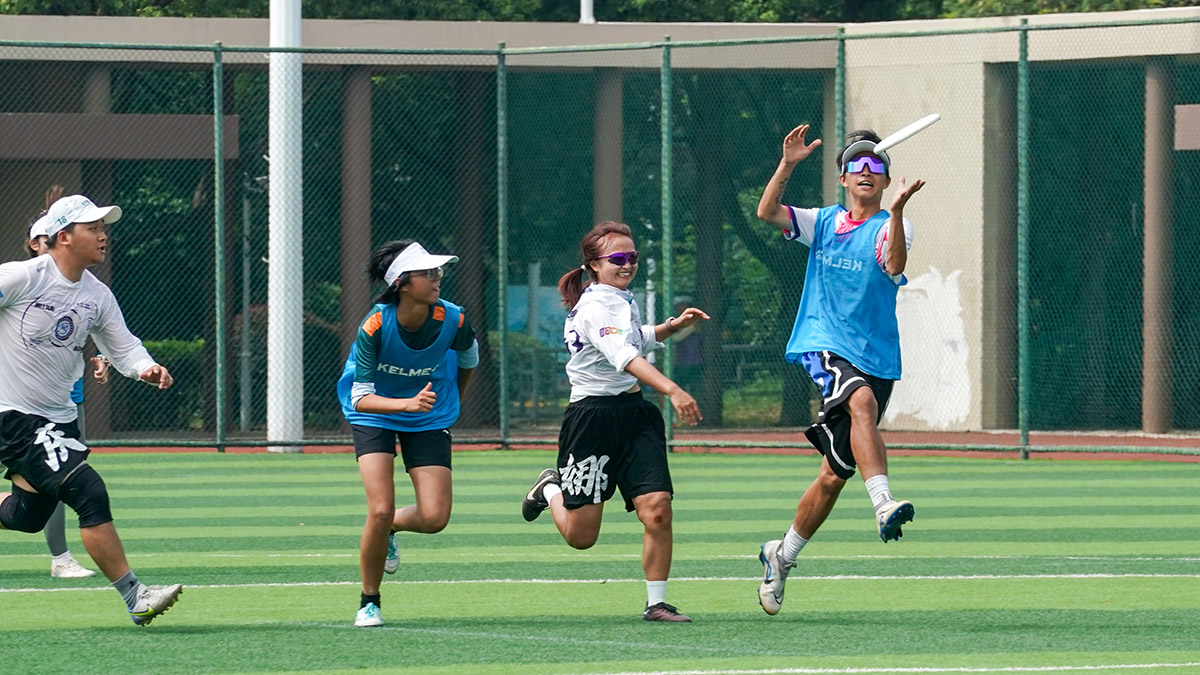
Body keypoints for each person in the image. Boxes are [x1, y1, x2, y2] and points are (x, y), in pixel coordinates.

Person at [752, 124, 926, 615]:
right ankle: (884, 503)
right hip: (823, 342)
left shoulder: (894, 225)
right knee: (861, 401)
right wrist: (787, 164)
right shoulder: (822, 222)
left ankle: (782, 555)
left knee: (833, 476)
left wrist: (897, 214)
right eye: (856, 164)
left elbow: (894, 265)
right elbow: (766, 212)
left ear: (886, 180)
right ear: (843, 177)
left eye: (876, 164)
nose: (866, 170)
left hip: (878, 357)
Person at [0, 194, 182, 625]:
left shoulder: (97, 294)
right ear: (63, 236)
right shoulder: (23, 276)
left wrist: (144, 367)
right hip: (14, 415)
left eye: (103, 228)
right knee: (89, 491)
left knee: (27, 516)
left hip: (58, 418)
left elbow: (123, 346)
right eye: (93, 228)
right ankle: (136, 595)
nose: (103, 236)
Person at [520, 220, 709, 623]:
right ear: (593, 265)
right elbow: (624, 356)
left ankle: (656, 603)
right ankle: (549, 488)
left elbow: (632, 339)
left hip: (635, 415)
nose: (627, 264)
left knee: (657, 509)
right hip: (592, 419)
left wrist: (672, 327)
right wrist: (673, 390)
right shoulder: (595, 306)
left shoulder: (619, 298)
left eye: (632, 256)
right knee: (581, 537)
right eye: (618, 258)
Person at [336, 240, 479, 628]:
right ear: (401, 282)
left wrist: (449, 400)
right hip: (374, 412)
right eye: (427, 273)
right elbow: (361, 397)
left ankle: (391, 528)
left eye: (438, 271)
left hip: (426, 413)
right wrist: (405, 404)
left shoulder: (454, 319)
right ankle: (369, 601)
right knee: (379, 508)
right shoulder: (375, 325)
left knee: (435, 518)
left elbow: (469, 358)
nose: (436, 278)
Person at [25, 207, 110, 579]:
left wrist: (102, 357)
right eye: (42, 239)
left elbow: (87, 329)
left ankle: (60, 558)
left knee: (58, 478)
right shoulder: (22, 283)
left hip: (63, 402)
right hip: (13, 407)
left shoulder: (86, 288)